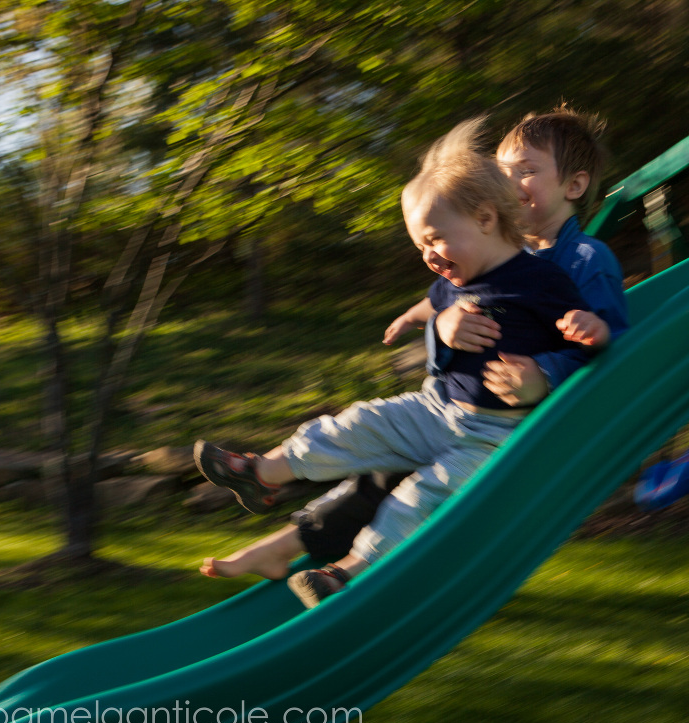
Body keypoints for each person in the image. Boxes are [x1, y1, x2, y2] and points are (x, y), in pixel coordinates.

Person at [197, 107, 628, 583]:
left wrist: (547, 372)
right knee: (360, 431)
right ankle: (267, 482)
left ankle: (344, 566)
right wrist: (440, 326)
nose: (509, 180)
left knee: (403, 489)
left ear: (574, 185)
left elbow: (609, 346)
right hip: (443, 405)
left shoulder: (578, 261)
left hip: (510, 428)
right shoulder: (481, 253)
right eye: (503, 170)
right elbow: (443, 312)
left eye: (526, 171)